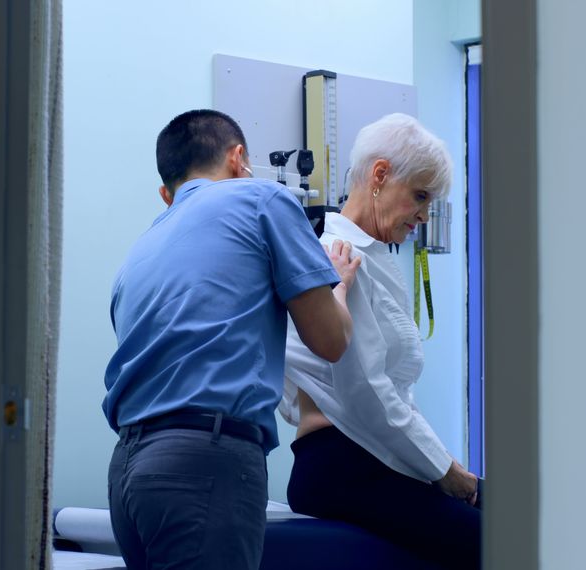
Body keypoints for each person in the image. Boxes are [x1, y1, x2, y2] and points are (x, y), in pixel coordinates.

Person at [103, 109, 358, 570]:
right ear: (239, 158)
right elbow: (330, 341)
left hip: (127, 470)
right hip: (204, 462)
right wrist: (337, 283)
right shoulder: (263, 199)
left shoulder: (138, 252)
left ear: (168, 193)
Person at [279, 113, 481, 569]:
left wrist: (446, 464)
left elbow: (392, 395)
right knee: (499, 541)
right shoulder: (338, 255)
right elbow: (366, 392)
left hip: (368, 455)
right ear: (380, 175)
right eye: (421, 196)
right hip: (341, 463)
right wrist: (443, 471)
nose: (425, 216)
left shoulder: (369, 258)